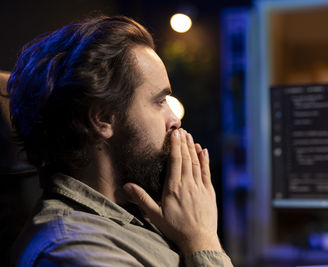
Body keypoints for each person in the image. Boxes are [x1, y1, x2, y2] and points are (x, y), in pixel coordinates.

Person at [7, 16, 232, 266]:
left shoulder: (145, 218)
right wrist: (203, 242)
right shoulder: (75, 252)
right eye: (159, 101)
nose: (174, 119)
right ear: (103, 118)